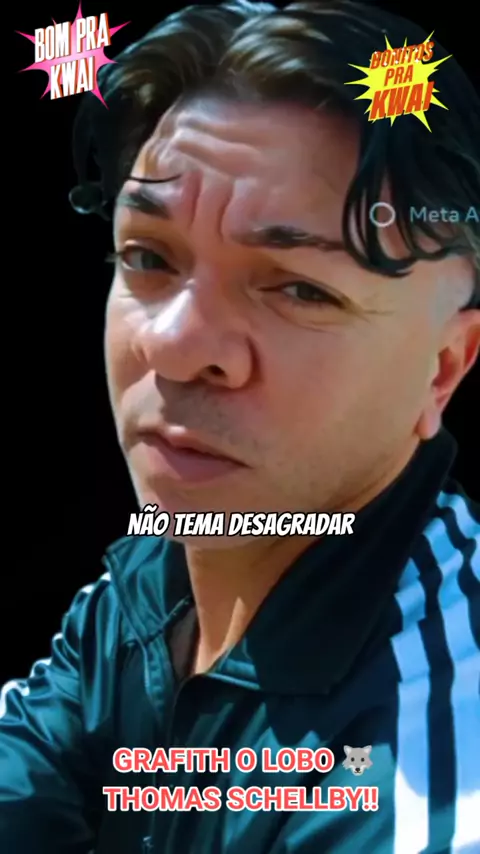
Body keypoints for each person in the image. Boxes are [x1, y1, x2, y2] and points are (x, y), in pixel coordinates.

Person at [1, 1, 479, 852]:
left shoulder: (429, 764)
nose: (174, 345)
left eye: (299, 289)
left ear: (440, 369)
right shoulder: (152, 579)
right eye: (148, 257)